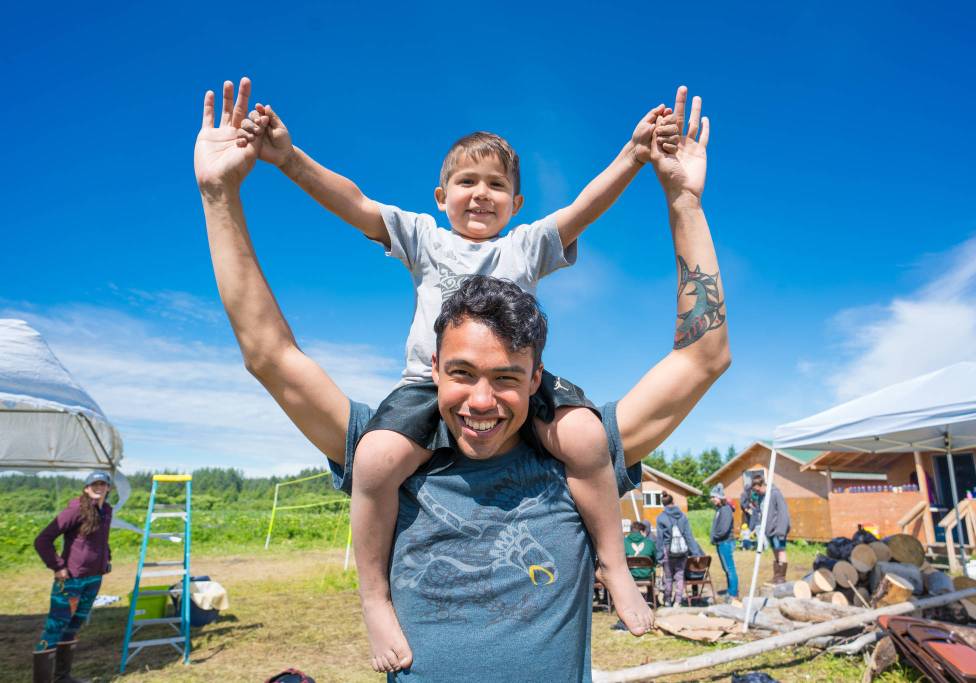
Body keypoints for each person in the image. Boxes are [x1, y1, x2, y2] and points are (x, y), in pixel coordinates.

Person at [196, 77, 729, 680]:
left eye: (497, 185)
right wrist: (266, 170)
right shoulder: (424, 239)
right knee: (372, 458)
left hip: (536, 405)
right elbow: (285, 327)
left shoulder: (526, 248)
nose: (481, 399)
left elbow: (693, 346)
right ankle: (373, 597)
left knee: (584, 440)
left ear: (529, 377)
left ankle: (613, 562)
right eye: (467, 183)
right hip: (416, 398)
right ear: (441, 194)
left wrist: (655, 176)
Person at [33, 471, 114, 683]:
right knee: (55, 627)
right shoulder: (76, 509)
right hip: (71, 580)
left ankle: (63, 678)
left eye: (102, 484)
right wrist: (57, 566)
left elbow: (101, 539)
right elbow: (42, 540)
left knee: (73, 626)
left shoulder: (106, 510)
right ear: (86, 488)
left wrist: (106, 558)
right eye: (94, 484)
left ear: (108, 488)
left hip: (94, 578)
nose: (98, 487)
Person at [655, 492, 704, 607]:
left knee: (668, 577)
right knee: (680, 576)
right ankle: (677, 601)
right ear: (673, 502)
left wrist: (659, 556)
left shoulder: (661, 518)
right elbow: (689, 535)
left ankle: (667, 601)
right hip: (682, 551)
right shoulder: (683, 516)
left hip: (668, 550)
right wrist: (696, 552)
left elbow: (660, 538)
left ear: (663, 504)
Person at [751, 473, 791, 583]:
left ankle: (782, 577)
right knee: (775, 552)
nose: (757, 493)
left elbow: (783, 512)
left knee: (781, 551)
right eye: (755, 491)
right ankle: (777, 575)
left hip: (778, 529)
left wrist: (781, 530)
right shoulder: (760, 497)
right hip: (769, 530)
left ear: (763, 484)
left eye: (758, 490)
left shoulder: (775, 493)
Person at [708, 484, 739, 601]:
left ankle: (733, 594)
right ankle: (730, 591)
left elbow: (724, 529)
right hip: (721, 542)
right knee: (726, 569)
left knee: (730, 569)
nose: (712, 500)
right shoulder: (720, 509)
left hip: (725, 542)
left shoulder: (725, 510)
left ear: (719, 497)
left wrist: (715, 536)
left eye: (713, 497)